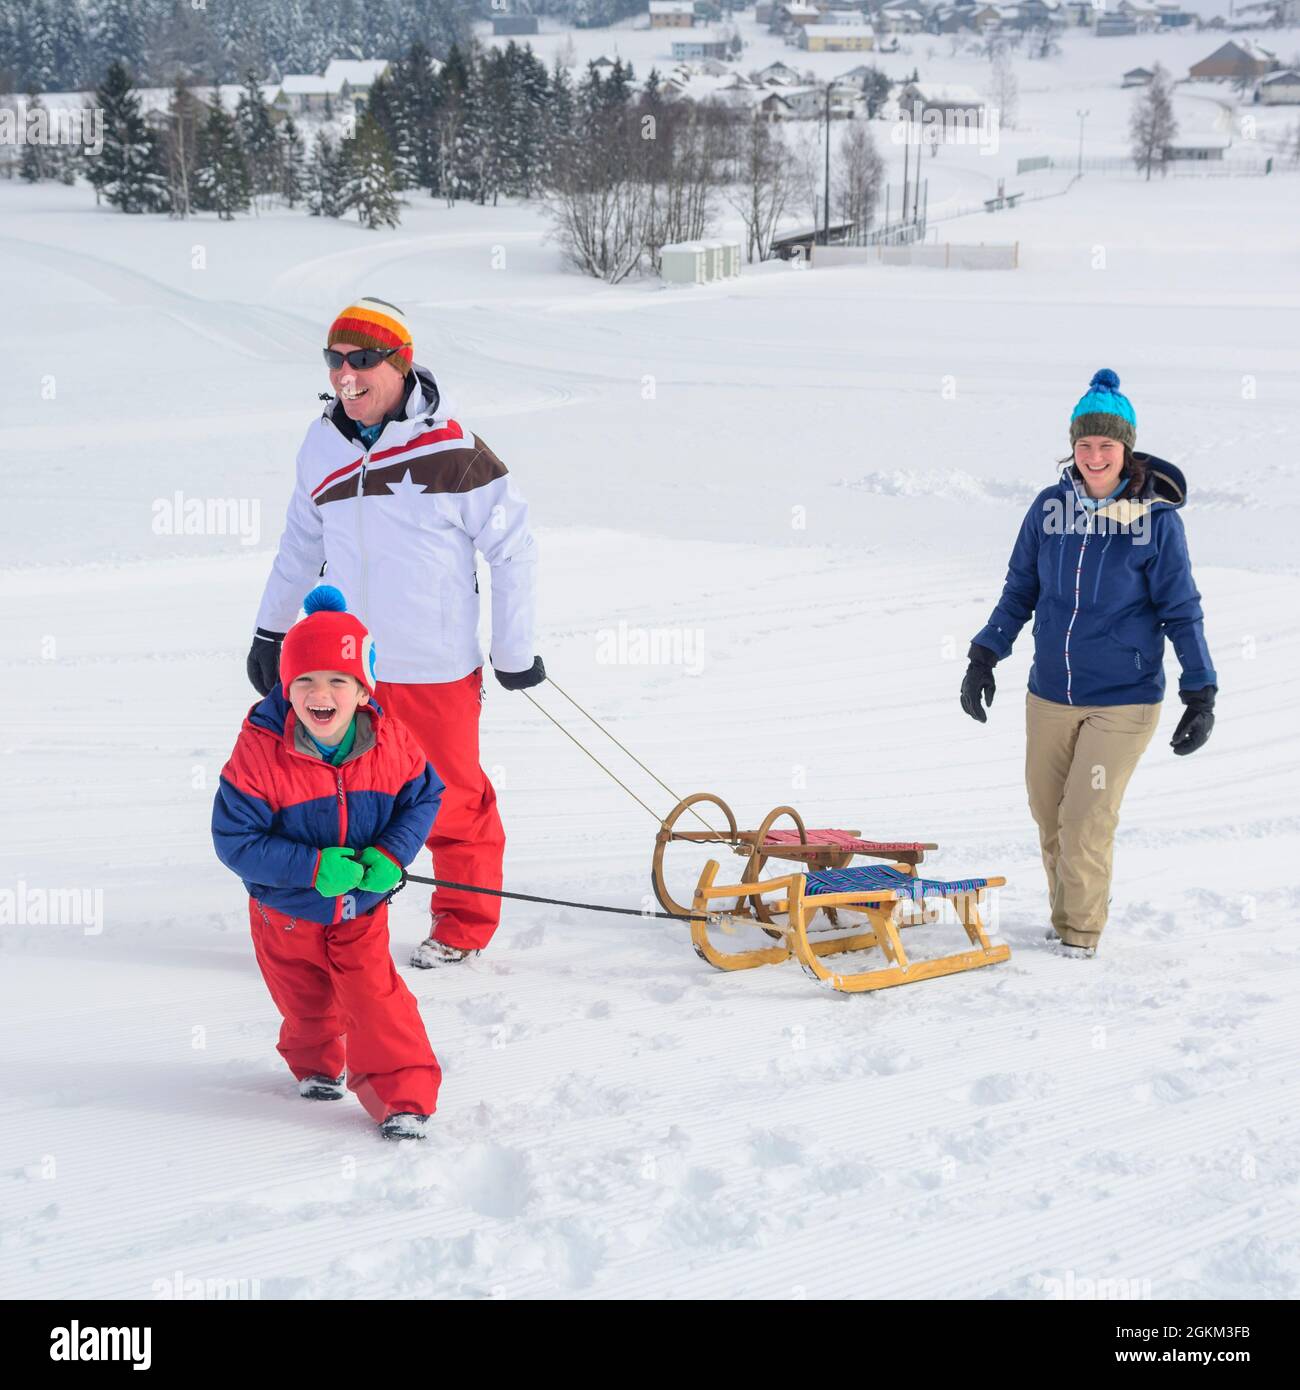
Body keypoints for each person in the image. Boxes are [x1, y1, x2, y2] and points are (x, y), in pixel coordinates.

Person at [244, 297, 542, 969]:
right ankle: (340, 916)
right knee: (341, 796)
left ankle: (464, 923)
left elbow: (514, 547)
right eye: (335, 361)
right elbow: (299, 543)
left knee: (452, 800)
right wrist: (270, 630)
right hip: (352, 666)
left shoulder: (453, 447)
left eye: (363, 361)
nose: (346, 376)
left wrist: (514, 648)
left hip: (436, 665)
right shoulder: (320, 443)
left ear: (400, 364)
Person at [960, 369, 1217, 958]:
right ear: (1072, 448)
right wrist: (984, 654)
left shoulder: (1156, 521)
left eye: (1106, 445)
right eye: (1084, 445)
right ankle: (1065, 916)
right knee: (1048, 814)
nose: (1095, 456)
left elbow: (1181, 609)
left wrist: (1199, 691)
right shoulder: (1049, 508)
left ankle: (1079, 937)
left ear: (1126, 449)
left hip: (1123, 699)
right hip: (1050, 692)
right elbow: (1019, 588)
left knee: (1085, 818)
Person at [214, 586, 444, 1140]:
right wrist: (311, 868)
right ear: (285, 687)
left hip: (360, 907)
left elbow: (424, 797)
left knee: (376, 1000)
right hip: (284, 912)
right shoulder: (259, 752)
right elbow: (233, 839)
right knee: (305, 1003)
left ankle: (403, 1098)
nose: (322, 694)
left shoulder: (391, 743)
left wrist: (392, 854)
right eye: (305, 682)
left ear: (363, 690)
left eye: (339, 681)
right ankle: (316, 1064)